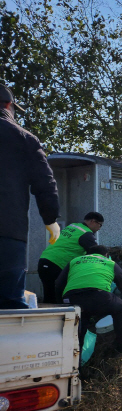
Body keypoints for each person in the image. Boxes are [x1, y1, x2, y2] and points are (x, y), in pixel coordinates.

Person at [0, 84, 60, 309]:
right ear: (8, 106)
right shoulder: (23, 138)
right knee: (9, 307)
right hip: (8, 233)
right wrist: (50, 219)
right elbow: (45, 183)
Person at [55, 245, 122, 354]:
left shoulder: (75, 261)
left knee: (80, 325)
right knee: (120, 308)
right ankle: (121, 345)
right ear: (106, 255)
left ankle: (75, 360)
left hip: (72, 298)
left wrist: (61, 305)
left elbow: (58, 284)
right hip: (99, 297)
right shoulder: (109, 262)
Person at [39, 212, 104, 303]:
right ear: (93, 221)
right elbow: (97, 254)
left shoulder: (73, 226)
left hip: (44, 261)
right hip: (56, 264)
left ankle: (47, 316)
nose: (99, 228)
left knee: (49, 296)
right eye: (100, 225)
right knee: (59, 298)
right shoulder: (86, 234)